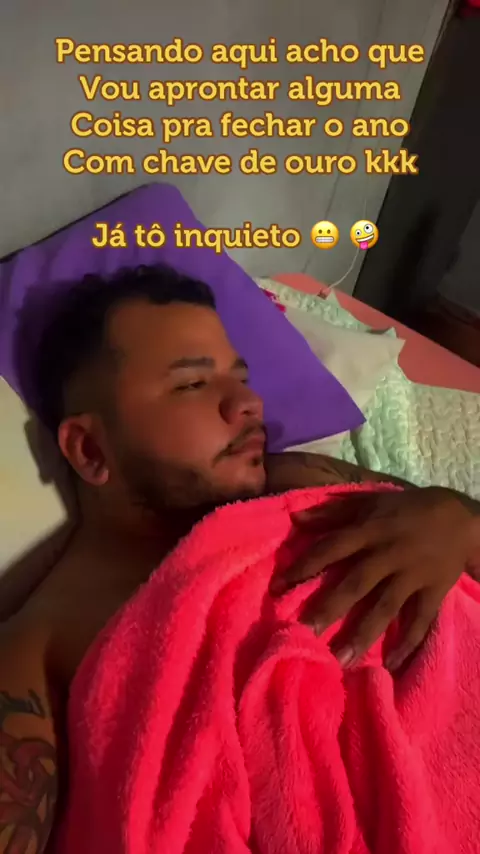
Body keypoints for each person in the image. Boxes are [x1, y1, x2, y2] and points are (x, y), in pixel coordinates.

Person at [0, 264, 478, 854]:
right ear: (90, 449)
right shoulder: (40, 648)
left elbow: (461, 537)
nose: (248, 403)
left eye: (241, 378)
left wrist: (456, 518)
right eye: (193, 384)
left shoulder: (295, 479)